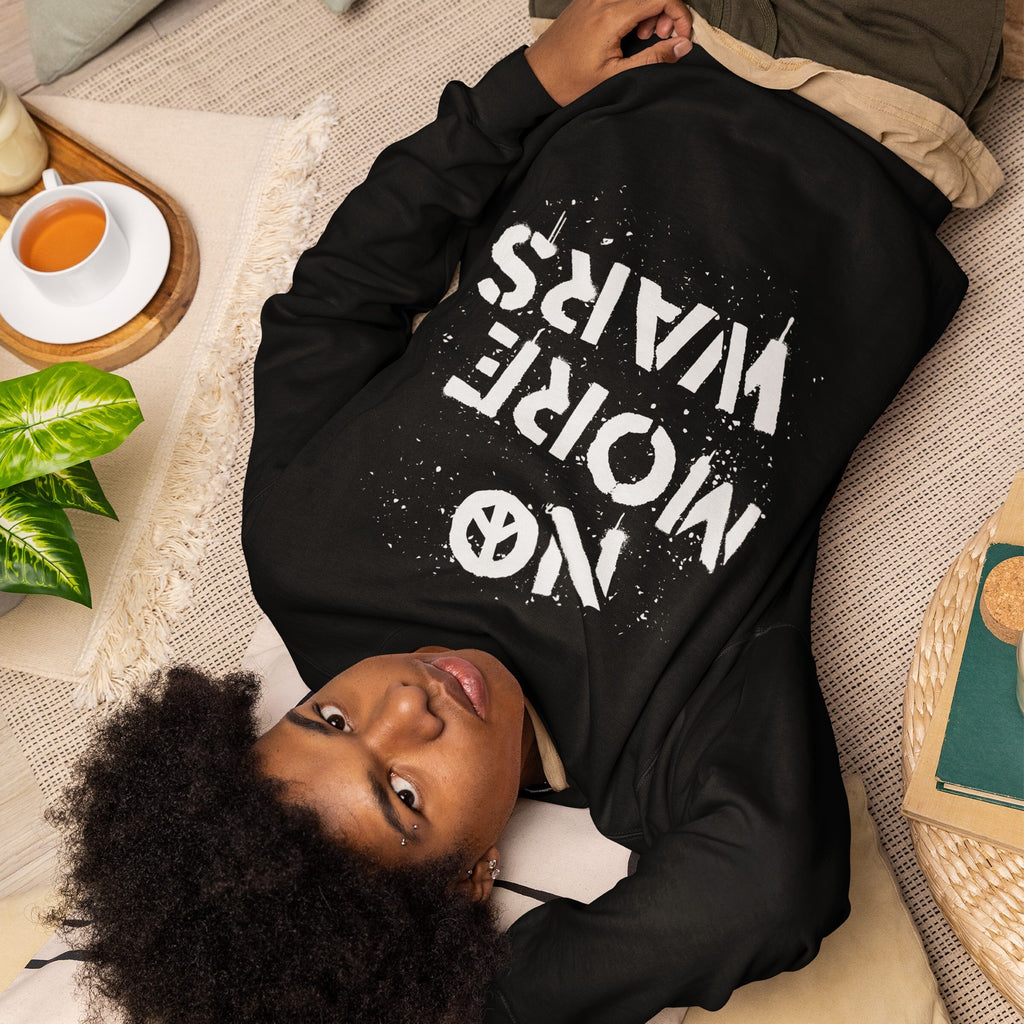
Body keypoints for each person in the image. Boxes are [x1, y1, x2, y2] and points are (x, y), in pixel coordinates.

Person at [49, 0, 1004, 1021]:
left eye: (326, 716)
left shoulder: (303, 546)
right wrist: (455, 1003)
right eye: (405, 797)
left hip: (625, 56)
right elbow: (765, 898)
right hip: (862, 92)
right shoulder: (662, 742)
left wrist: (524, 87)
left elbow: (338, 297)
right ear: (469, 882)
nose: (403, 707)